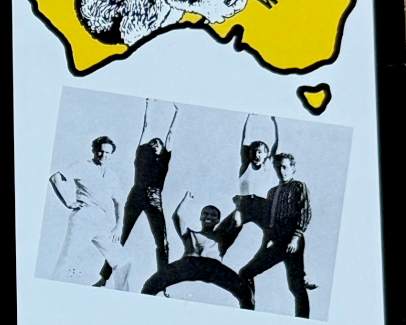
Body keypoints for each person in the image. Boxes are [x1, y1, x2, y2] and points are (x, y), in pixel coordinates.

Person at [102, 100, 179, 283]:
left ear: (163, 148)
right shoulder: (142, 155)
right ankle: (104, 277)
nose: (155, 143)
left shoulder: (164, 159)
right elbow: (146, 126)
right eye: (153, 142)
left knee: (162, 241)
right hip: (136, 194)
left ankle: (164, 283)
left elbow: (171, 134)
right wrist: (149, 104)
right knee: (121, 235)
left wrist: (178, 112)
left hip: (154, 197)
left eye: (158, 143)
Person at [139, 192, 255, 309]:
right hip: (189, 264)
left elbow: (236, 223)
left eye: (213, 215)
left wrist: (238, 206)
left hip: (213, 267)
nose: (208, 216)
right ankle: (143, 308)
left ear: (218, 220)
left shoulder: (221, 238)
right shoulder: (190, 234)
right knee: (151, 285)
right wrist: (187, 198)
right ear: (200, 217)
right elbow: (177, 217)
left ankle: (248, 315)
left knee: (245, 291)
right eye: (205, 213)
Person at [239, 151, 315, 317]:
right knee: (246, 273)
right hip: (276, 240)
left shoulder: (299, 186)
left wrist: (295, 238)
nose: (282, 171)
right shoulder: (272, 192)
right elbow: (269, 221)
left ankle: (303, 321)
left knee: (296, 286)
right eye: (278, 167)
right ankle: (247, 312)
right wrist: (267, 242)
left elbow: (305, 213)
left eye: (285, 167)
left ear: (293, 168)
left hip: (292, 238)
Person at [49, 137, 129, 287]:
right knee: (67, 262)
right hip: (83, 219)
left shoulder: (112, 177)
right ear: (94, 150)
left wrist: (119, 226)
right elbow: (56, 178)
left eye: (107, 153)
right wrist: (68, 202)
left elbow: (119, 202)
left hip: (102, 223)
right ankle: (49, 292)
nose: (103, 155)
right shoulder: (83, 166)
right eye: (100, 151)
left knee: (123, 261)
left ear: (111, 154)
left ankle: (120, 295)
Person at [213, 113, 280, 263]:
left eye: (260, 152)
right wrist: (249, 116)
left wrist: (276, 122)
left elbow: (277, 144)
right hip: (244, 204)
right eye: (254, 151)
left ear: (266, 155)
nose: (256, 154)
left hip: (263, 205)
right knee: (232, 223)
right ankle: (217, 254)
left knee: (272, 233)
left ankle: (261, 259)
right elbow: (245, 139)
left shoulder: (267, 167)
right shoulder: (246, 166)